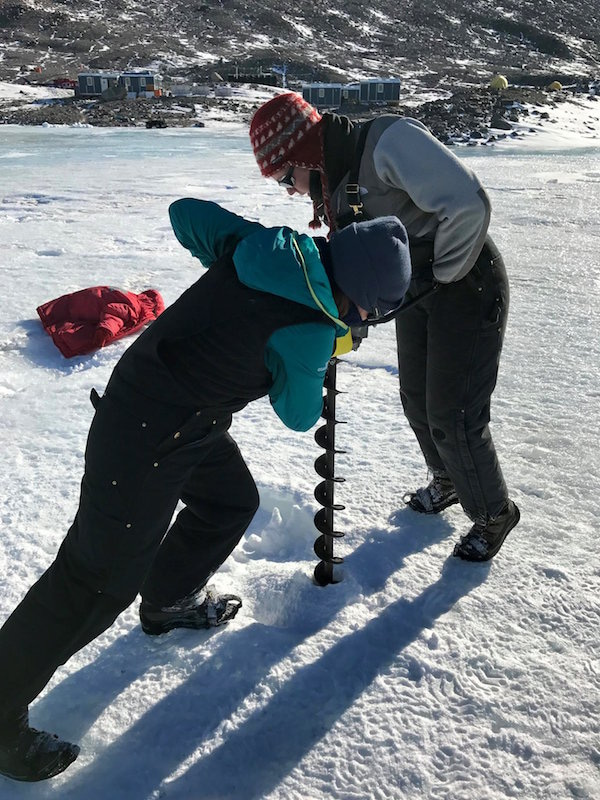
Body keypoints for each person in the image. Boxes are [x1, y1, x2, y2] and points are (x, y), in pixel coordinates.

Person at [0, 199, 411, 782]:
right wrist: (332, 346)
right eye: (372, 316)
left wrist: (231, 249)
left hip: (179, 412)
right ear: (361, 300)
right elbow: (297, 414)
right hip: (145, 434)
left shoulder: (268, 247)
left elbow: (184, 214)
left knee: (228, 501)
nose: (367, 325)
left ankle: (167, 601)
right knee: (93, 581)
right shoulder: (312, 334)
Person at [249, 92, 520, 564]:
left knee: (454, 413)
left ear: (303, 152)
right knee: (415, 396)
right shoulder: (334, 184)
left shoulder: (386, 143)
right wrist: (346, 319)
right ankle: (448, 479)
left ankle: (494, 512)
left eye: (284, 177)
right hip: (419, 287)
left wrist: (441, 276)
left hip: (467, 279)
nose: (289, 191)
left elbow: (469, 204)